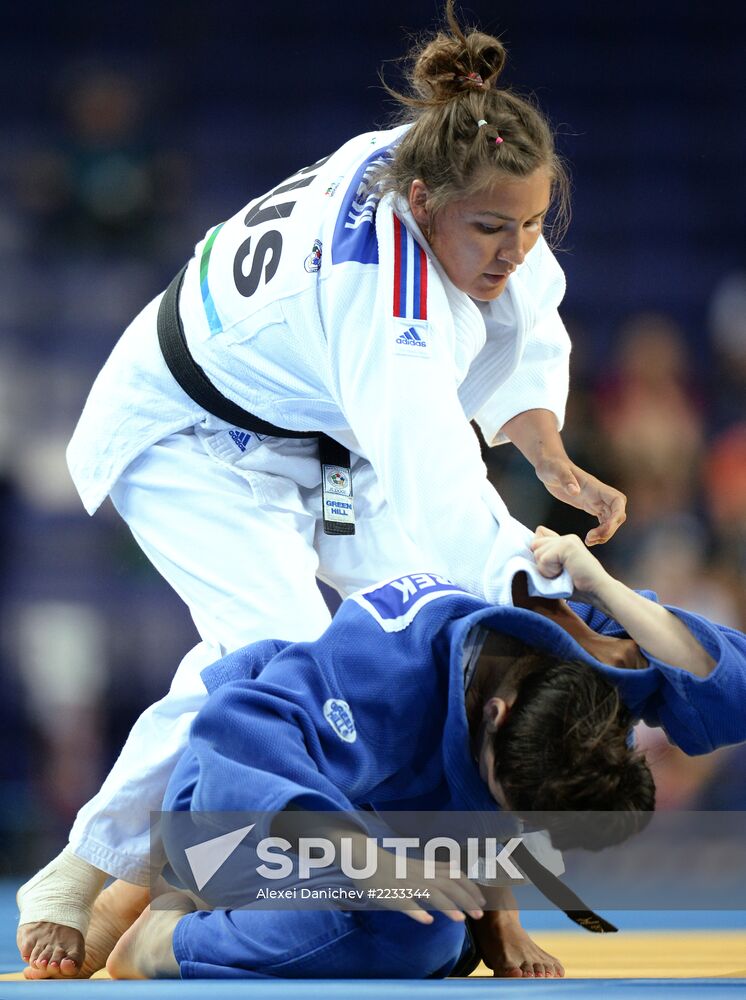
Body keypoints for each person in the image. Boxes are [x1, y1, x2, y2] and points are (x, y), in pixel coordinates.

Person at [17, 1, 628, 973]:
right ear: (421, 204)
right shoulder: (383, 300)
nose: (512, 247)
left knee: (453, 641)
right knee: (273, 651)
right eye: (492, 230)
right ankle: (89, 867)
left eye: (529, 223)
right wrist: (550, 590)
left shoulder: (466, 166)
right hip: (189, 426)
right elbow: (437, 487)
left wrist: (548, 460)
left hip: (319, 436)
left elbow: (527, 324)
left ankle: (224, 869)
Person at [28, 529, 746, 980]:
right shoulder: (392, 664)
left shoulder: (583, 657)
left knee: (439, 929)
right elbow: (232, 736)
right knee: (418, 941)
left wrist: (605, 586)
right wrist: (370, 860)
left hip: (395, 836)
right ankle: (162, 930)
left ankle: (175, 888)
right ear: (494, 714)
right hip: (236, 811)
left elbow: (732, 693)